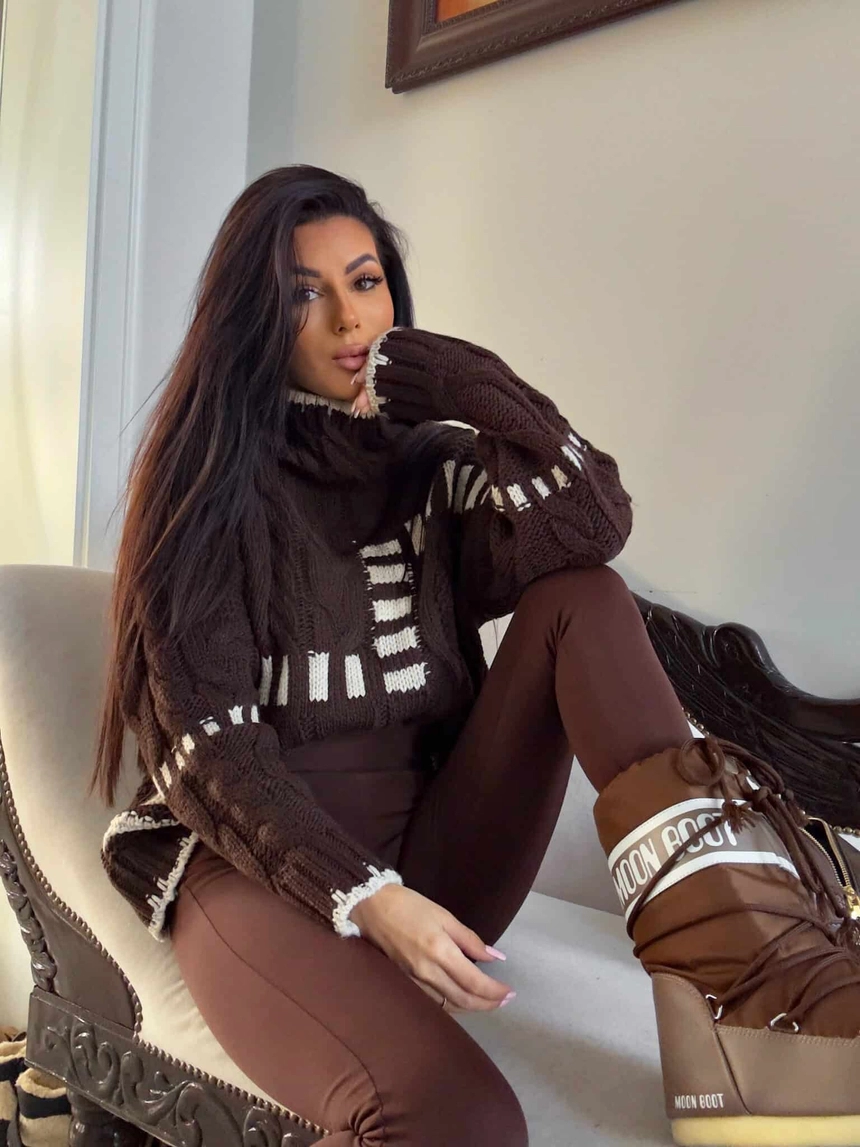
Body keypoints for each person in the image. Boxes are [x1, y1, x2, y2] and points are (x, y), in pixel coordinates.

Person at [90, 165, 859, 1147]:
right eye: (302, 293)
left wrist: (477, 388)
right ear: (251, 319)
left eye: (365, 281)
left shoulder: (429, 468)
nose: (347, 318)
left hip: (437, 853)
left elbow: (590, 527)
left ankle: (758, 993)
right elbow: (211, 753)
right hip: (258, 871)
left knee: (582, 595)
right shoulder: (205, 492)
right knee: (460, 1120)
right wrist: (372, 899)